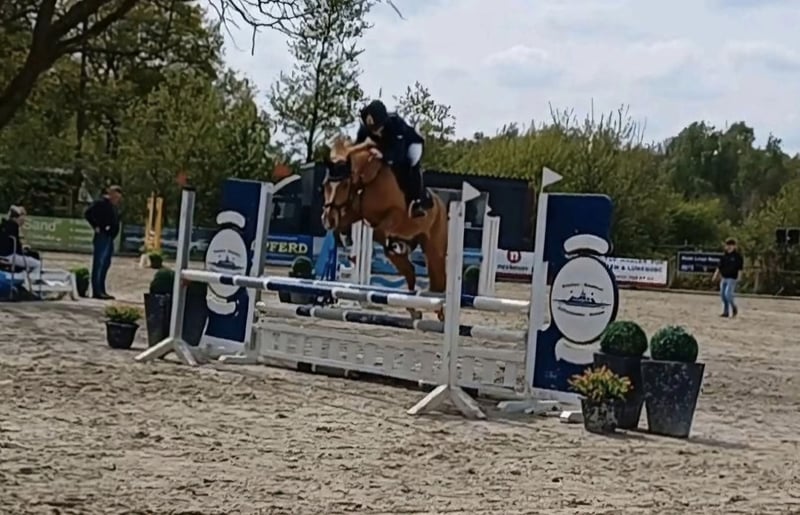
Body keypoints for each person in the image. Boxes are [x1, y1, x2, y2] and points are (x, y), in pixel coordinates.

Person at [354, 99, 432, 218]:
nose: (375, 132)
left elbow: (398, 154)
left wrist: (383, 156)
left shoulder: (396, 125)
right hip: (386, 147)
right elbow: (358, 148)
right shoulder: (365, 128)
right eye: (372, 129)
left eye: (378, 128)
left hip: (409, 144)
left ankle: (417, 200)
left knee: (411, 163)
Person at [84, 185, 122, 299]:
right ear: (111, 194)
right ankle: (96, 291)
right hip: (102, 236)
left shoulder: (113, 206)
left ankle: (102, 289)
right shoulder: (100, 203)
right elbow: (88, 213)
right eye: (115, 197)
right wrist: (96, 226)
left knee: (105, 264)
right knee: (99, 263)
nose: (117, 200)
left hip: (109, 237)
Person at [0, 205, 42, 273]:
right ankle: (33, 279)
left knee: (31, 256)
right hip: (9, 256)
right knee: (37, 263)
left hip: (2, 255)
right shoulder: (14, 226)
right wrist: (24, 251)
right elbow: (17, 248)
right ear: (17, 217)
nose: (23, 220)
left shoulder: (3, 225)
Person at [713, 238, 744, 318]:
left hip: (732, 278)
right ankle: (725, 311)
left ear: (735, 246)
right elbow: (719, 267)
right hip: (724, 277)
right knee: (723, 295)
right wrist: (715, 275)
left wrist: (739, 277)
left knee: (728, 294)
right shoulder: (724, 256)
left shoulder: (738, 257)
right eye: (728, 245)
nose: (729, 247)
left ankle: (733, 307)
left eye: (731, 245)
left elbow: (740, 268)